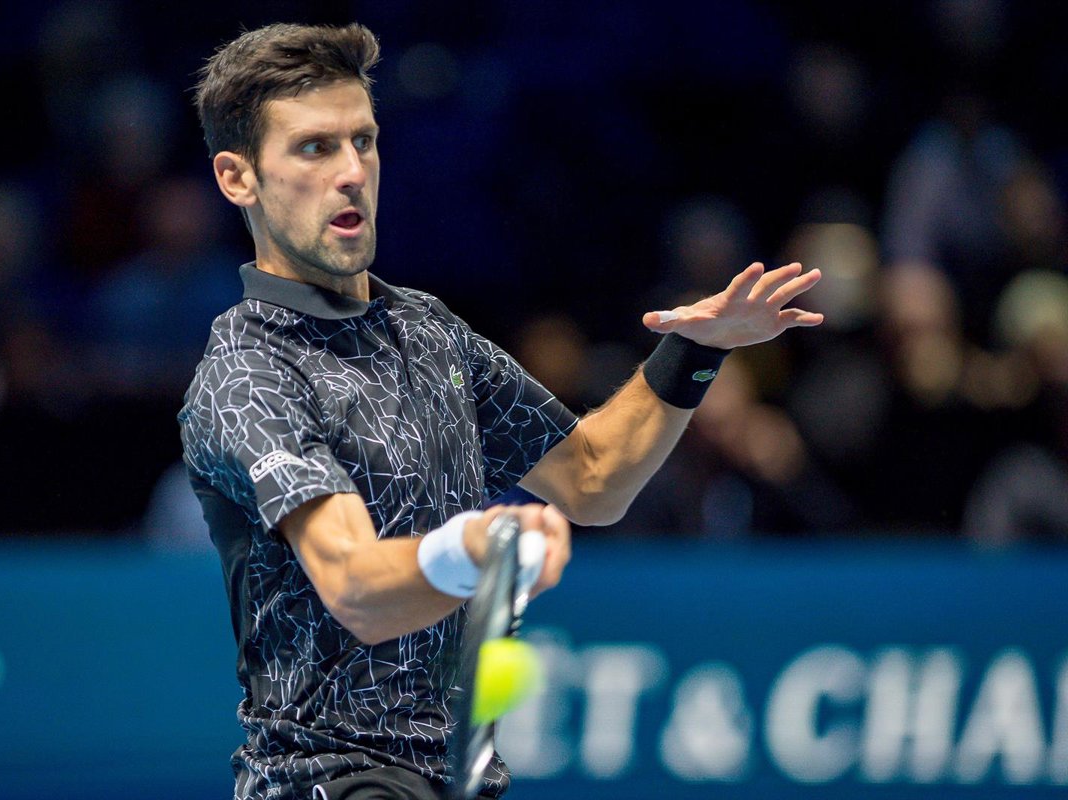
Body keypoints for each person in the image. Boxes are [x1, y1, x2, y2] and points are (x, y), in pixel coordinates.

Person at [179, 22, 823, 800]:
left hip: (456, 779)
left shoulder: (430, 332)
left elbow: (594, 478)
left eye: (364, 141)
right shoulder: (249, 371)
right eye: (315, 148)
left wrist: (695, 350)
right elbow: (352, 586)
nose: (351, 172)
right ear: (238, 178)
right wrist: (472, 548)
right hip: (324, 782)